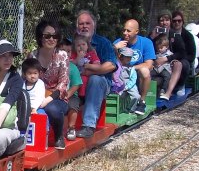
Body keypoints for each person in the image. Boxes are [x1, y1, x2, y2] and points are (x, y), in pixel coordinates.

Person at [74, 10, 117, 139]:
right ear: (77, 26)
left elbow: (111, 65)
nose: (84, 26)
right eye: (81, 24)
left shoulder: (103, 43)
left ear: (94, 25)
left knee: (95, 79)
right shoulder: (71, 42)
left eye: (88, 23)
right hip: (77, 82)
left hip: (100, 84)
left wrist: (88, 71)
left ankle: (88, 125)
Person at [29, 19, 69, 150]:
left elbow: (63, 84)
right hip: (35, 95)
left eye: (55, 36)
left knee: (52, 108)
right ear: (40, 37)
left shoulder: (62, 55)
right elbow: (26, 77)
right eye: (47, 36)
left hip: (56, 98)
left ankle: (58, 136)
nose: (51, 39)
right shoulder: (32, 56)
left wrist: (46, 100)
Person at [113, 19, 154, 115]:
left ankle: (142, 102)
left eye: (128, 31)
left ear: (136, 31)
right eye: (124, 30)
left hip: (138, 75)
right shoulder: (118, 42)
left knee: (145, 71)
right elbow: (108, 61)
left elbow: (149, 64)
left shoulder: (146, 42)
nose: (125, 33)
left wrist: (131, 68)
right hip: (121, 75)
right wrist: (114, 48)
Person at [158, 10, 196, 100]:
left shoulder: (187, 36)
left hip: (181, 59)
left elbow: (189, 54)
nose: (177, 23)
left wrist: (171, 58)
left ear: (183, 22)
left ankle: (180, 85)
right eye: (175, 21)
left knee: (181, 64)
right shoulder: (159, 33)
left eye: (179, 21)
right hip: (163, 57)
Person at [64, 40, 83, 141]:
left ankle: (71, 127)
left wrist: (67, 95)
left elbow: (76, 84)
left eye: (68, 51)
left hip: (71, 95)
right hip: (55, 95)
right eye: (63, 51)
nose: (66, 54)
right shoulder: (53, 66)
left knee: (72, 105)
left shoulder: (72, 67)